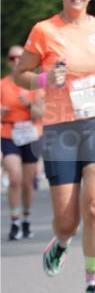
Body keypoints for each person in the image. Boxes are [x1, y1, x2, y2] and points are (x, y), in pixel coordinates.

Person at [13, 0, 95, 293]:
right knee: (67, 219)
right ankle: (61, 243)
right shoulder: (44, 31)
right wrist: (46, 80)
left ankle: (93, 284)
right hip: (60, 126)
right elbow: (21, 75)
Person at [1, 45, 44, 240]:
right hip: (9, 133)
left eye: (20, 57)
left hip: (31, 135)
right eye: (12, 58)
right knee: (15, 178)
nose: (16, 61)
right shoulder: (2, 85)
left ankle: (26, 219)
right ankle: (15, 222)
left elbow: (42, 113)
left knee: (27, 183)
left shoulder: (35, 85)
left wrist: (28, 103)